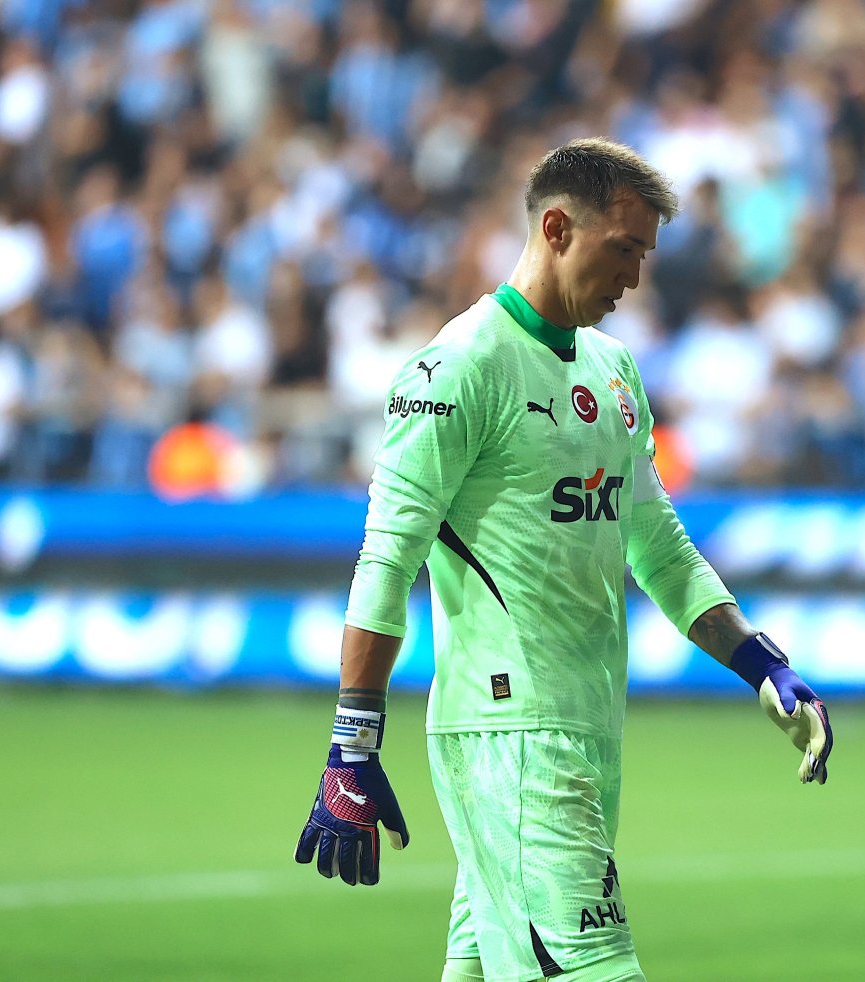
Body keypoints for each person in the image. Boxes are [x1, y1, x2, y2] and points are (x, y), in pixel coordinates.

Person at [294, 138, 834, 982]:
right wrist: (352, 744)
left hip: (585, 727)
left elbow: (660, 547)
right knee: (594, 968)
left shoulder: (614, 372)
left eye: (647, 255)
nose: (636, 277)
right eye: (625, 249)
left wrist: (762, 662)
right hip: (512, 734)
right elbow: (385, 559)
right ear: (556, 227)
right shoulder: (457, 368)